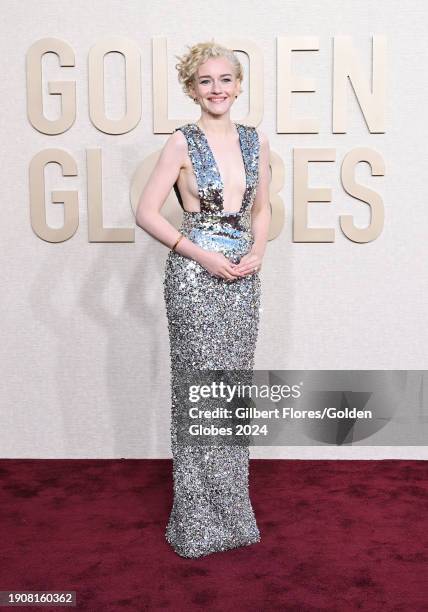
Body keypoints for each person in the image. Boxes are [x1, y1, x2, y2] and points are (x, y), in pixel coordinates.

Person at [136, 41, 271, 558]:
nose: (217, 89)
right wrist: (201, 256)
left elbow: (262, 209)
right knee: (196, 392)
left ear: (239, 85)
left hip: (244, 279)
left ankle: (233, 518)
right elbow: (148, 212)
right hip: (195, 279)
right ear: (191, 88)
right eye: (205, 81)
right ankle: (196, 523)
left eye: (226, 79)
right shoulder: (180, 142)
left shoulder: (255, 140)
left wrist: (258, 253)